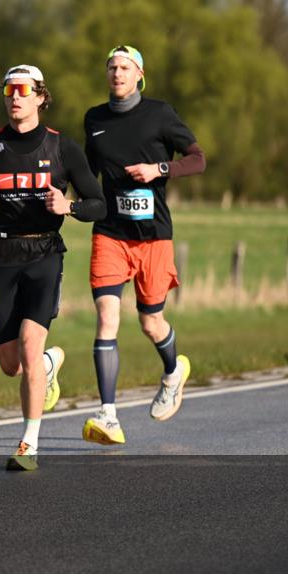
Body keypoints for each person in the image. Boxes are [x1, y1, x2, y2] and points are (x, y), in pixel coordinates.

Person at [0, 65, 106, 471]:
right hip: (1, 258)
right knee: (11, 365)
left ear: (41, 96)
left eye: (23, 90)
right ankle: (47, 366)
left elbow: (99, 203)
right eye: (8, 90)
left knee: (28, 342)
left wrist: (69, 207)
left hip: (44, 255)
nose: (14, 97)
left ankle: (28, 444)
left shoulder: (62, 148)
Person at [81, 45, 207, 445]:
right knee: (107, 318)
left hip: (153, 235)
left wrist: (159, 169)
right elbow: (86, 175)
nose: (117, 73)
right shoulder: (94, 119)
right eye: (111, 67)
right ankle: (108, 414)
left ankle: (173, 372)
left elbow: (198, 158)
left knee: (150, 322)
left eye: (125, 67)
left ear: (139, 74)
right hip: (110, 232)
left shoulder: (160, 114)